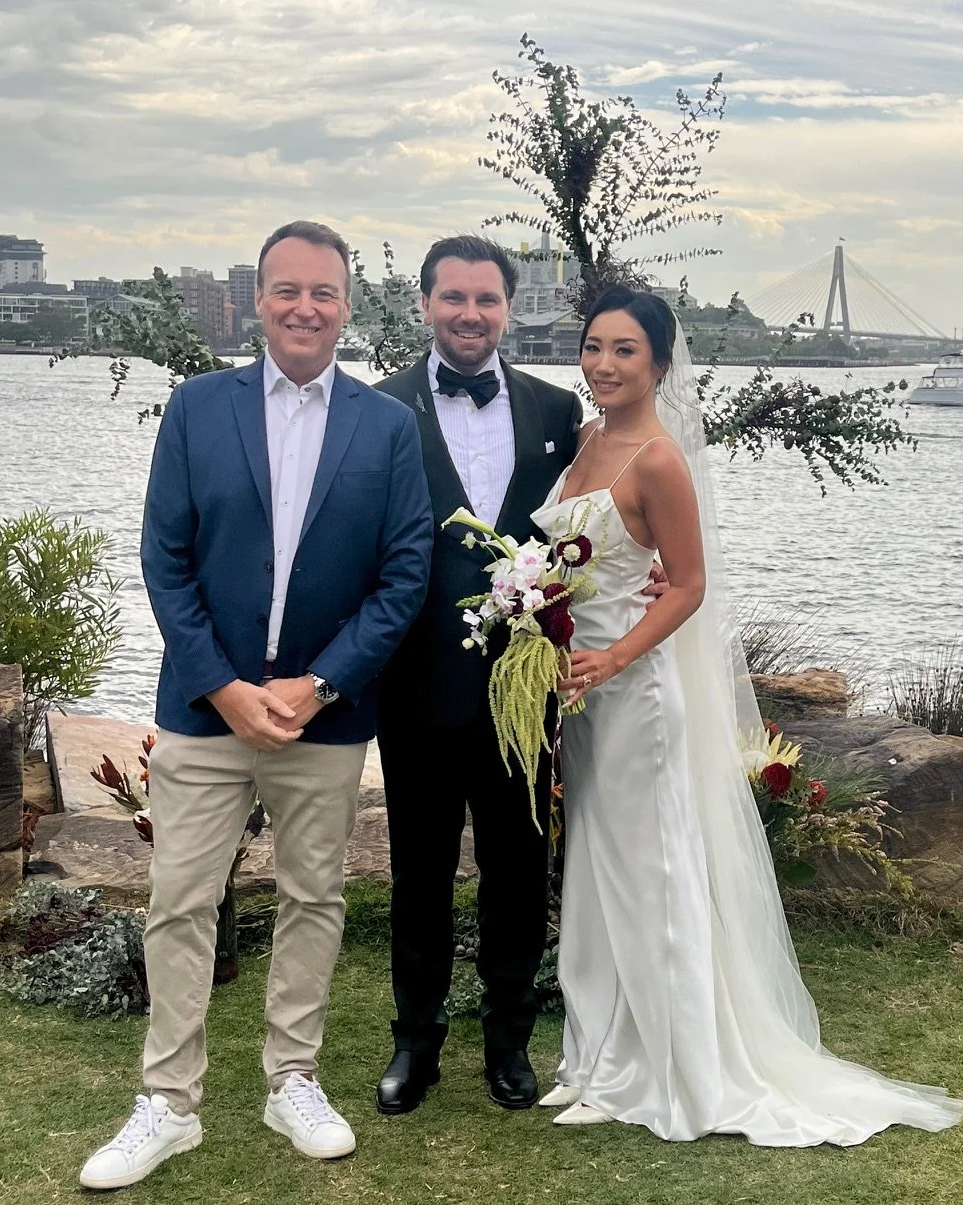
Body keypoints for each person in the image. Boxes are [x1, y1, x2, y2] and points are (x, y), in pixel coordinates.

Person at [529, 285, 963, 1145]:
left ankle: (669, 1065)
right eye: (594, 346)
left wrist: (614, 657)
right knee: (596, 871)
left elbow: (689, 585)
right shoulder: (585, 440)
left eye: (625, 350)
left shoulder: (657, 459)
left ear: (659, 362)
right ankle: (599, 1056)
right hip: (580, 698)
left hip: (634, 697)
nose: (605, 364)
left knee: (651, 877)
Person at [80, 221, 434, 1189]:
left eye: (324, 291)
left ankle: (292, 1079)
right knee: (180, 901)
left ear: (348, 307)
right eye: (287, 289)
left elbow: (405, 577)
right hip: (204, 711)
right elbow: (164, 559)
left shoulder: (386, 428)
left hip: (325, 717)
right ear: (256, 300)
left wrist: (317, 683)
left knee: (315, 897)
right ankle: (168, 1100)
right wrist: (227, 688)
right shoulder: (197, 411)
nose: (305, 306)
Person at [371, 235, 585, 1114]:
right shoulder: (377, 410)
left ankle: (510, 1041)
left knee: (518, 869)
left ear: (509, 306)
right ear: (425, 304)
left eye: (486, 299)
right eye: (453, 298)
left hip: (522, 690)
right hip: (414, 684)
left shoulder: (558, 411)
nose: (470, 314)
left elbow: (589, 531)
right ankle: (414, 1045)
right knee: (416, 874)